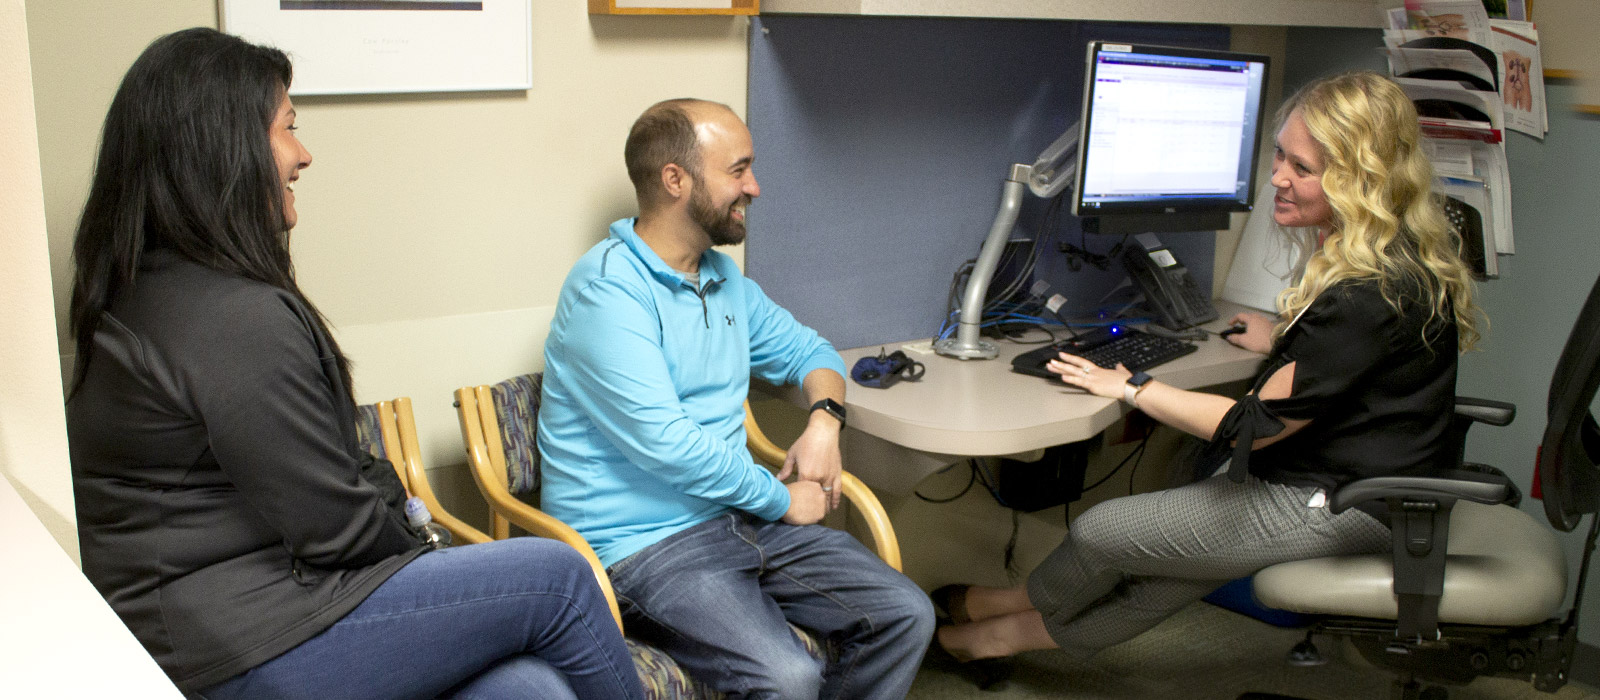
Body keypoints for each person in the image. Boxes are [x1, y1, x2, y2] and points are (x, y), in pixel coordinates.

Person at [66, 28, 645, 700]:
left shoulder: (154, 291)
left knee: (529, 689)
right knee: (559, 579)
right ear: (224, 148)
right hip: (234, 645)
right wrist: (424, 549)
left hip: (229, 624)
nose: (303, 154)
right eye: (288, 127)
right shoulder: (229, 318)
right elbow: (336, 527)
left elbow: (329, 478)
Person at [931, 71, 1482, 675]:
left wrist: (1132, 386)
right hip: (1359, 476)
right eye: (1279, 155)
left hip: (1349, 503)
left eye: (1300, 168)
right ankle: (996, 638)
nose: (1277, 178)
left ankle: (1004, 608)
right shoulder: (1392, 257)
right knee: (1168, 575)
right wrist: (1282, 338)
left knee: (1101, 531)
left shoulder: (1368, 293)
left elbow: (1253, 426)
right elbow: (1354, 360)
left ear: (1359, 182)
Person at [537, 98, 934, 699]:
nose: (755, 186)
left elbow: (814, 353)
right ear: (675, 180)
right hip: (642, 547)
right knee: (788, 678)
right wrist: (780, 499)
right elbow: (669, 445)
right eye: (738, 169)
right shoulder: (607, 292)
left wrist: (824, 423)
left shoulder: (722, 279)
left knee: (906, 615)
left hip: (735, 517)